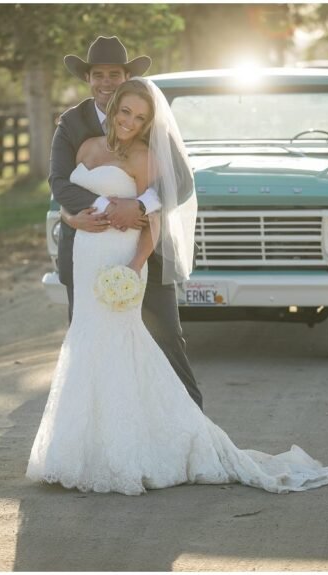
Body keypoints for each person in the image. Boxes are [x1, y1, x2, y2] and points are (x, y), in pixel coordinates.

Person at [27, 75, 328, 496]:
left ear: (147, 123)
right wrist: (73, 217)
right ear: (114, 107)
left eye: (139, 118)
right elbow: (63, 190)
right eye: (125, 112)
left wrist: (133, 267)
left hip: (120, 264)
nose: (130, 121)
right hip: (85, 260)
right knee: (85, 347)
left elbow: (154, 218)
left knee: (126, 348)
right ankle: (80, 451)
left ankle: (140, 447)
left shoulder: (145, 157)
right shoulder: (82, 143)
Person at [48, 36, 202, 410]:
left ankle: (193, 422)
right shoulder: (72, 123)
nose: (105, 82)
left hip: (145, 249)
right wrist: (106, 206)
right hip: (87, 249)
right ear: (88, 78)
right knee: (90, 341)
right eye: (97, 75)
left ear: (126, 76)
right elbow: (59, 183)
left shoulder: (146, 116)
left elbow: (179, 182)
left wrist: (139, 205)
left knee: (166, 336)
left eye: (113, 74)